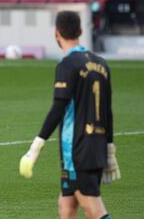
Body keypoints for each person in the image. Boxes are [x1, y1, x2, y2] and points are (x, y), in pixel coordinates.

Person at [19, 11, 121, 219]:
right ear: (81, 32)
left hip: (78, 148)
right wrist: (109, 148)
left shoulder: (67, 64)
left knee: (93, 207)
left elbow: (58, 107)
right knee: (67, 206)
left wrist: (35, 148)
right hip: (96, 144)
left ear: (56, 34)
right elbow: (107, 112)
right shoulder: (101, 64)